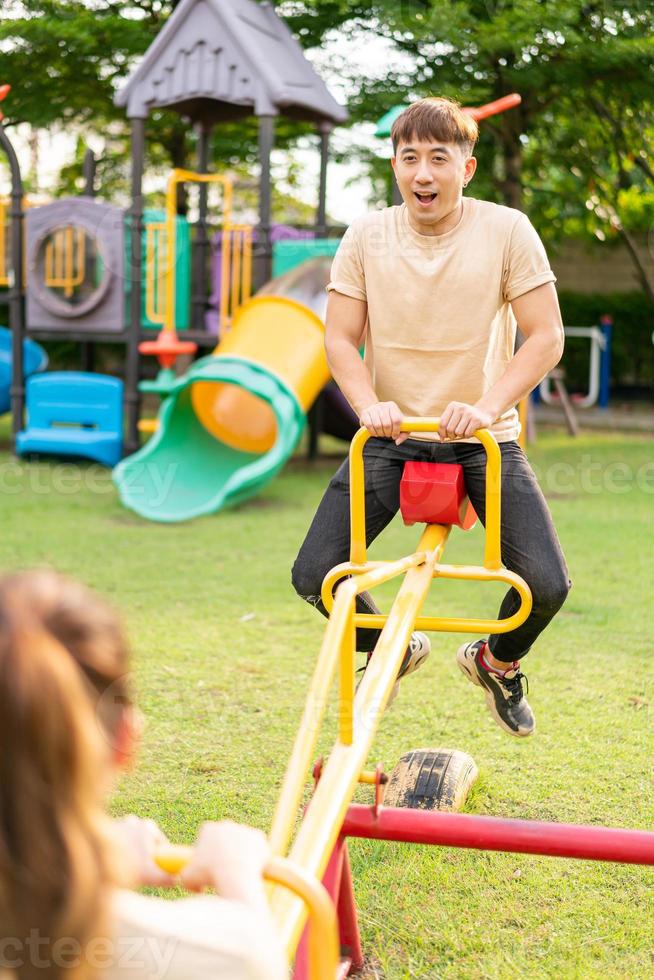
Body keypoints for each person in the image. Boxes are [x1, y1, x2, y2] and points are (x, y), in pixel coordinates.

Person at [292, 97, 571, 737]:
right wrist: (369, 406)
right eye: (409, 157)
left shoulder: (506, 230)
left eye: (439, 159)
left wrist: (484, 407)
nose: (423, 173)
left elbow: (545, 336)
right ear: (395, 165)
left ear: (466, 169)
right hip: (392, 438)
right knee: (315, 575)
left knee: (547, 585)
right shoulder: (365, 235)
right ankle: (391, 645)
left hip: (482, 441)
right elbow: (340, 340)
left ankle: (495, 661)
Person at [0, 569, 288, 979]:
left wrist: (95, 862)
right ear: (125, 737)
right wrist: (238, 876)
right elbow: (252, 955)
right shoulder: (211, 957)